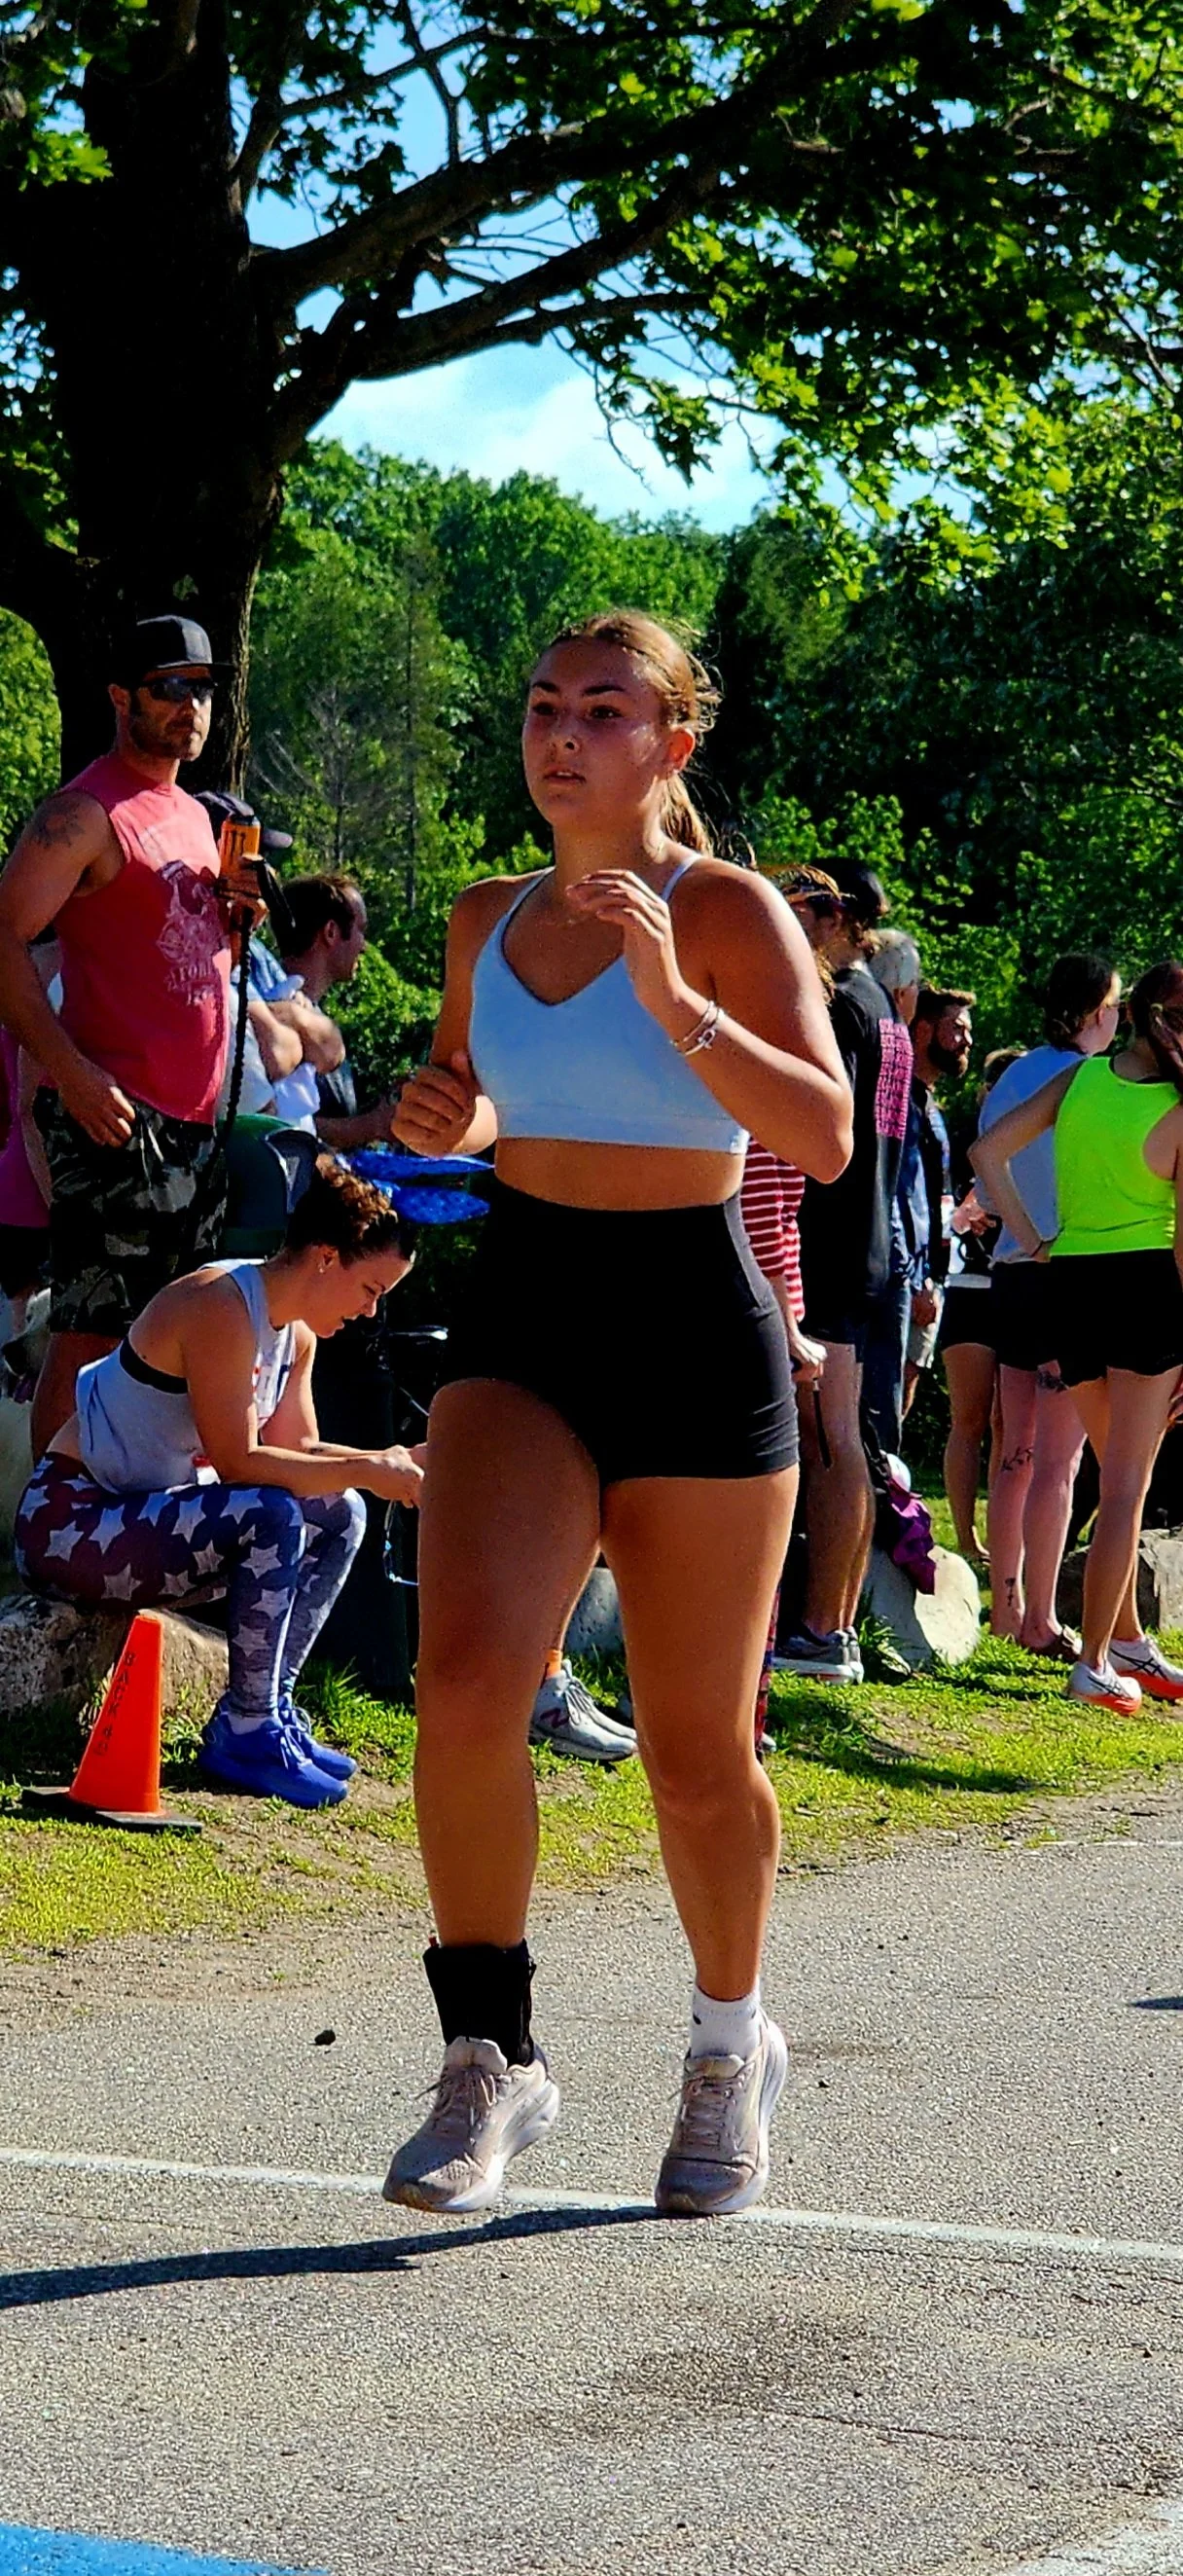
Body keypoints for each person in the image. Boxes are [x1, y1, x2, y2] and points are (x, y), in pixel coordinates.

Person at [385, 608, 850, 2218]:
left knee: (695, 1751)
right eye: (540, 703)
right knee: (462, 1684)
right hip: (525, 1308)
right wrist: (452, 1111)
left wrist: (676, 995)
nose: (560, 732)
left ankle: (731, 2044)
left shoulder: (721, 908)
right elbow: (488, 1095)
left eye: (603, 706)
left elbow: (827, 1132)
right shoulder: (478, 917)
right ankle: (489, 2058)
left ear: (672, 740)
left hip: (693, 1320)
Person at [14, 1157, 425, 1804]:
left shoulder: (297, 1337)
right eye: (370, 1289)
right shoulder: (220, 1304)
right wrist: (372, 1468)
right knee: (271, 1511)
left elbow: (299, 1452)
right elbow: (241, 1461)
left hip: (146, 1518)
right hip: (68, 1523)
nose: (370, 1312)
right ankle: (247, 1729)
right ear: (324, 1257)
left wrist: (393, 1459)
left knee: (341, 1511)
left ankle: (263, 1706)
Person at [0, 615, 236, 1458]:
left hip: (194, 1125)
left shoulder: (198, 816)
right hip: (115, 1116)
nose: (190, 707)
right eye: (169, 688)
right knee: (91, 1332)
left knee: (170, 1338)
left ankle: (127, 1538)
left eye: (202, 688)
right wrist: (70, 1070)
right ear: (119, 697)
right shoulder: (85, 809)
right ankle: (47, 1533)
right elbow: (5, 934)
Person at [972, 961, 1183, 1711]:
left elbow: (985, 1154)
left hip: (1072, 1281)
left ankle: (1123, 1637)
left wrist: (1032, 1240)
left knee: (1109, 1464)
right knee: (1127, 1486)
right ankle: (1093, 1660)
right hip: (1150, 1288)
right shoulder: (1178, 1107)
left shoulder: (1081, 1080)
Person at [773, 866, 913, 1684]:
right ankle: (838, 1626)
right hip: (867, 1241)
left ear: (833, 920)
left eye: (795, 916)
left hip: (830, 1241)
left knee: (829, 1437)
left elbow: (818, 1137)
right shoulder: (883, 1012)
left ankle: (824, 1629)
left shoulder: (842, 1006)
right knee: (846, 1434)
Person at [975, 955, 1120, 1655]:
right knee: (1059, 1463)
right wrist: (1044, 1240)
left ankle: (1005, 1610)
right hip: (1064, 1272)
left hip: (1013, 1276)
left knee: (1015, 1454)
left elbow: (984, 1157)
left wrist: (1020, 1237)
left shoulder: (1010, 1074)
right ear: (1097, 1011)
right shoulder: (1087, 1079)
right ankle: (1039, 1618)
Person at [937, 1046, 1024, 1566]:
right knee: (968, 1419)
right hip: (968, 1289)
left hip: (1014, 1287)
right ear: (987, 1089)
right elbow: (943, 1209)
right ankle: (967, 1541)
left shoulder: (1040, 1136)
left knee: (1007, 1423)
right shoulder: (963, 1135)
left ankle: (1005, 1541)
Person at [901, 988, 972, 1420]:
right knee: (888, 1390)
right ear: (924, 1029)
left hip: (934, 1274)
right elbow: (899, 1197)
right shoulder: (901, 1102)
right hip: (913, 1277)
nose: (967, 1041)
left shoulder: (929, 1103)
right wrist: (917, 1279)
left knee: (907, 1382)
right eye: (957, 1029)